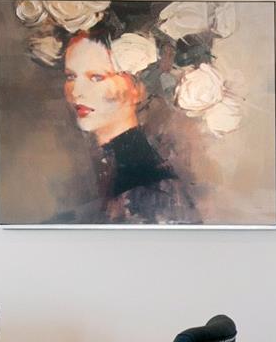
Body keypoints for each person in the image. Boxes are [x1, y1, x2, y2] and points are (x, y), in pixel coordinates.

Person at [58, 28, 198, 224]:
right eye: (71, 76)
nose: (76, 92)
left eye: (97, 77)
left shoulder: (152, 188)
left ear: (138, 88)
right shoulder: (100, 168)